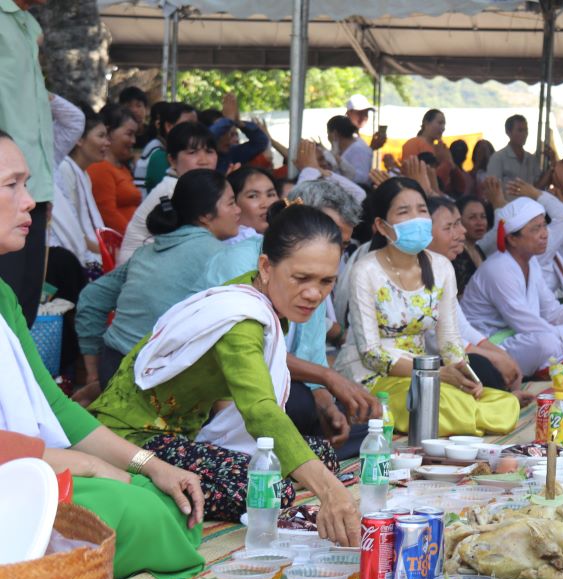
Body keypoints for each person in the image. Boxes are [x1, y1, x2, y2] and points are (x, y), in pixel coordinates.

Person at [0, 128, 205, 579]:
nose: (30, 200)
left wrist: (150, 465)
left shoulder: (3, 297)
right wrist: (87, 465)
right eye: (12, 185)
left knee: (159, 497)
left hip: (29, 467)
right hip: (15, 475)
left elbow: (51, 405)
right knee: (137, 513)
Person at [89, 204, 360, 546]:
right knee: (266, 489)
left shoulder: (261, 298)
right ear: (266, 267)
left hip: (187, 434)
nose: (314, 293)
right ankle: (144, 485)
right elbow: (260, 410)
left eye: (326, 282)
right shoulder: (242, 317)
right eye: (301, 278)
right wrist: (329, 491)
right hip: (133, 438)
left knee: (318, 454)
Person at [202, 178, 379, 450]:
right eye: (328, 235)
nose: (334, 251)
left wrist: (326, 405)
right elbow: (249, 356)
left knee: (350, 418)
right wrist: (327, 377)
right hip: (222, 391)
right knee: (294, 404)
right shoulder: (239, 264)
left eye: (342, 244)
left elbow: (312, 353)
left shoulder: (317, 276)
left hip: (275, 389)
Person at [334, 177, 519, 435]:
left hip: (426, 377)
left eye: (421, 210)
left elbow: (450, 339)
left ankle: (466, 413)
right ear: (382, 226)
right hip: (373, 379)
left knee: (501, 401)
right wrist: (438, 374)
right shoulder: (366, 271)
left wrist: (465, 375)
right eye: (404, 211)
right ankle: (463, 417)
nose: (416, 218)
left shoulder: (441, 267)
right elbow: (371, 354)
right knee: (441, 404)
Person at [77, 169, 241, 390]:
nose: (237, 210)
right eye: (231, 203)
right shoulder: (220, 256)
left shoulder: (146, 252)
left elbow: (91, 297)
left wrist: (94, 373)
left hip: (113, 368)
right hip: (158, 382)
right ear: (205, 215)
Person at [462, 196, 563, 378]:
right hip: (486, 348)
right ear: (512, 238)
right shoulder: (499, 268)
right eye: (536, 228)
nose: (545, 234)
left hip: (514, 339)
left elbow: (552, 310)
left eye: (544, 225)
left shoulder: (531, 262)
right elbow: (528, 325)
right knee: (549, 342)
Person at [426, 197, 525, 397]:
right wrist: (494, 358)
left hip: (450, 350)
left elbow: (460, 326)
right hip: (423, 362)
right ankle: (500, 401)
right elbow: (434, 339)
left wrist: (501, 355)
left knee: (490, 360)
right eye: (451, 226)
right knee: (481, 365)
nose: (462, 232)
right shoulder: (419, 271)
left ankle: (501, 399)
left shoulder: (441, 268)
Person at [0, 0, 54, 327]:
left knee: (24, 306)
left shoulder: (30, 24)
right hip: (5, 185)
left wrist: (42, 188)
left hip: (34, 185)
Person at [118, 122, 218, 263]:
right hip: (139, 266)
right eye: (192, 153)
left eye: (209, 151)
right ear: (172, 160)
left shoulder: (193, 186)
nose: (204, 161)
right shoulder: (173, 188)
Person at [50, 105, 108, 276]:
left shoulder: (83, 173)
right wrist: (103, 249)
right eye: (101, 136)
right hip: (75, 257)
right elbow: (73, 228)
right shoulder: (65, 169)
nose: (107, 142)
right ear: (79, 139)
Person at [87, 103, 141, 235]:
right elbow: (108, 214)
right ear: (109, 133)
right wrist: (134, 240)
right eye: (129, 134)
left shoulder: (122, 168)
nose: (133, 141)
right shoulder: (100, 168)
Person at [134, 101, 197, 195]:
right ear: (168, 126)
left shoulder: (166, 149)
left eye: (196, 125)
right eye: (188, 125)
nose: (195, 130)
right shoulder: (158, 154)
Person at [208, 92, 270, 174]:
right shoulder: (197, 160)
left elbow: (261, 142)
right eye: (222, 132)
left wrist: (239, 123)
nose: (228, 138)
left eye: (231, 134)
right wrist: (228, 120)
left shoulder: (231, 154)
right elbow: (205, 138)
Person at [226, 166, 278, 244]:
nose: (266, 204)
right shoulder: (237, 243)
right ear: (232, 204)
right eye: (253, 196)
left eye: (270, 195)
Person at [451, 195, 491, 296]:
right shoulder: (456, 254)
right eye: (472, 217)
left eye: (483, 217)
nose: (480, 222)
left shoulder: (477, 249)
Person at [401, 109, 453, 185]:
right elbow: (410, 173)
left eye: (444, 124)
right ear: (426, 123)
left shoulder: (440, 148)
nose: (443, 128)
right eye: (440, 123)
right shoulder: (413, 143)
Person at [486, 115, 540, 187]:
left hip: (529, 198)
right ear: (508, 132)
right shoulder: (498, 158)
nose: (524, 134)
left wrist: (552, 167)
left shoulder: (531, 159)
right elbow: (492, 188)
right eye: (520, 130)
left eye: (526, 130)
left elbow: (538, 186)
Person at [325, 114, 372, 187]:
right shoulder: (338, 149)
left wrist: (340, 162)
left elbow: (362, 178)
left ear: (334, 134)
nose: (328, 137)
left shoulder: (359, 149)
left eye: (328, 133)